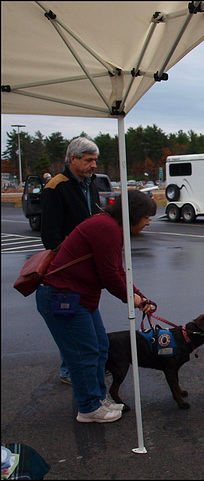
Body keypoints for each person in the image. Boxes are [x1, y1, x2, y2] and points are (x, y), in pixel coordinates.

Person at [35, 190, 157, 423]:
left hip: (79, 298)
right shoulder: (107, 229)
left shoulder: (110, 227)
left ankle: (97, 398)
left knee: (100, 346)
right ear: (134, 214)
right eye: (147, 216)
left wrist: (141, 297)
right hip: (63, 297)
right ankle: (89, 407)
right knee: (84, 353)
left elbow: (117, 271)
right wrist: (136, 300)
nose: (148, 222)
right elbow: (110, 276)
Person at [40, 137, 102, 385]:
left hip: (88, 265)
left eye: (95, 160)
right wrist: (62, 258)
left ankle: (86, 365)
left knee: (84, 318)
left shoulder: (91, 185)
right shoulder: (56, 187)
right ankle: (70, 369)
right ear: (72, 159)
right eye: (88, 160)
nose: (94, 165)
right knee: (70, 321)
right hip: (66, 270)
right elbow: (50, 234)